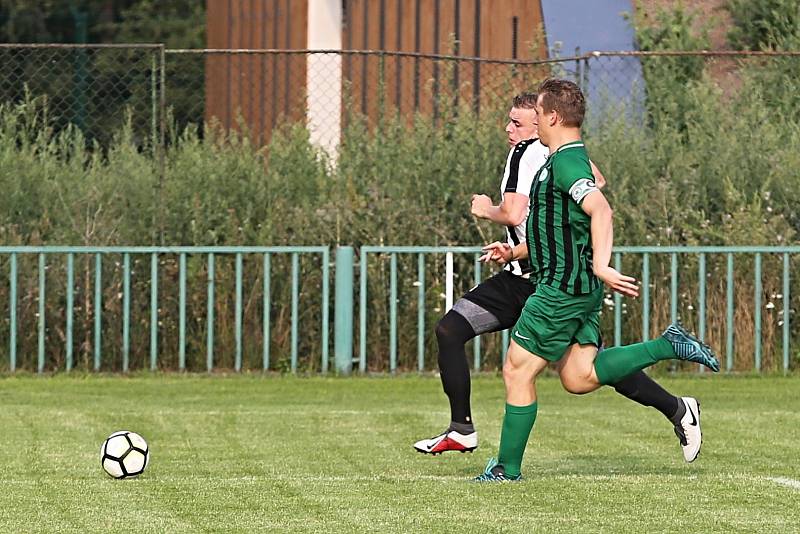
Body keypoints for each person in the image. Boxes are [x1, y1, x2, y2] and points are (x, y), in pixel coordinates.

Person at [413, 93, 706, 465]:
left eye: (520, 121)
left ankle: (498, 462)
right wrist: (520, 248)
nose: (509, 128)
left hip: (545, 283)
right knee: (578, 375)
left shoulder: (538, 155)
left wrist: (487, 209)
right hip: (535, 271)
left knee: (519, 368)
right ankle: (677, 402)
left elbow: (537, 209)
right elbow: (594, 181)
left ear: (545, 121)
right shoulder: (561, 156)